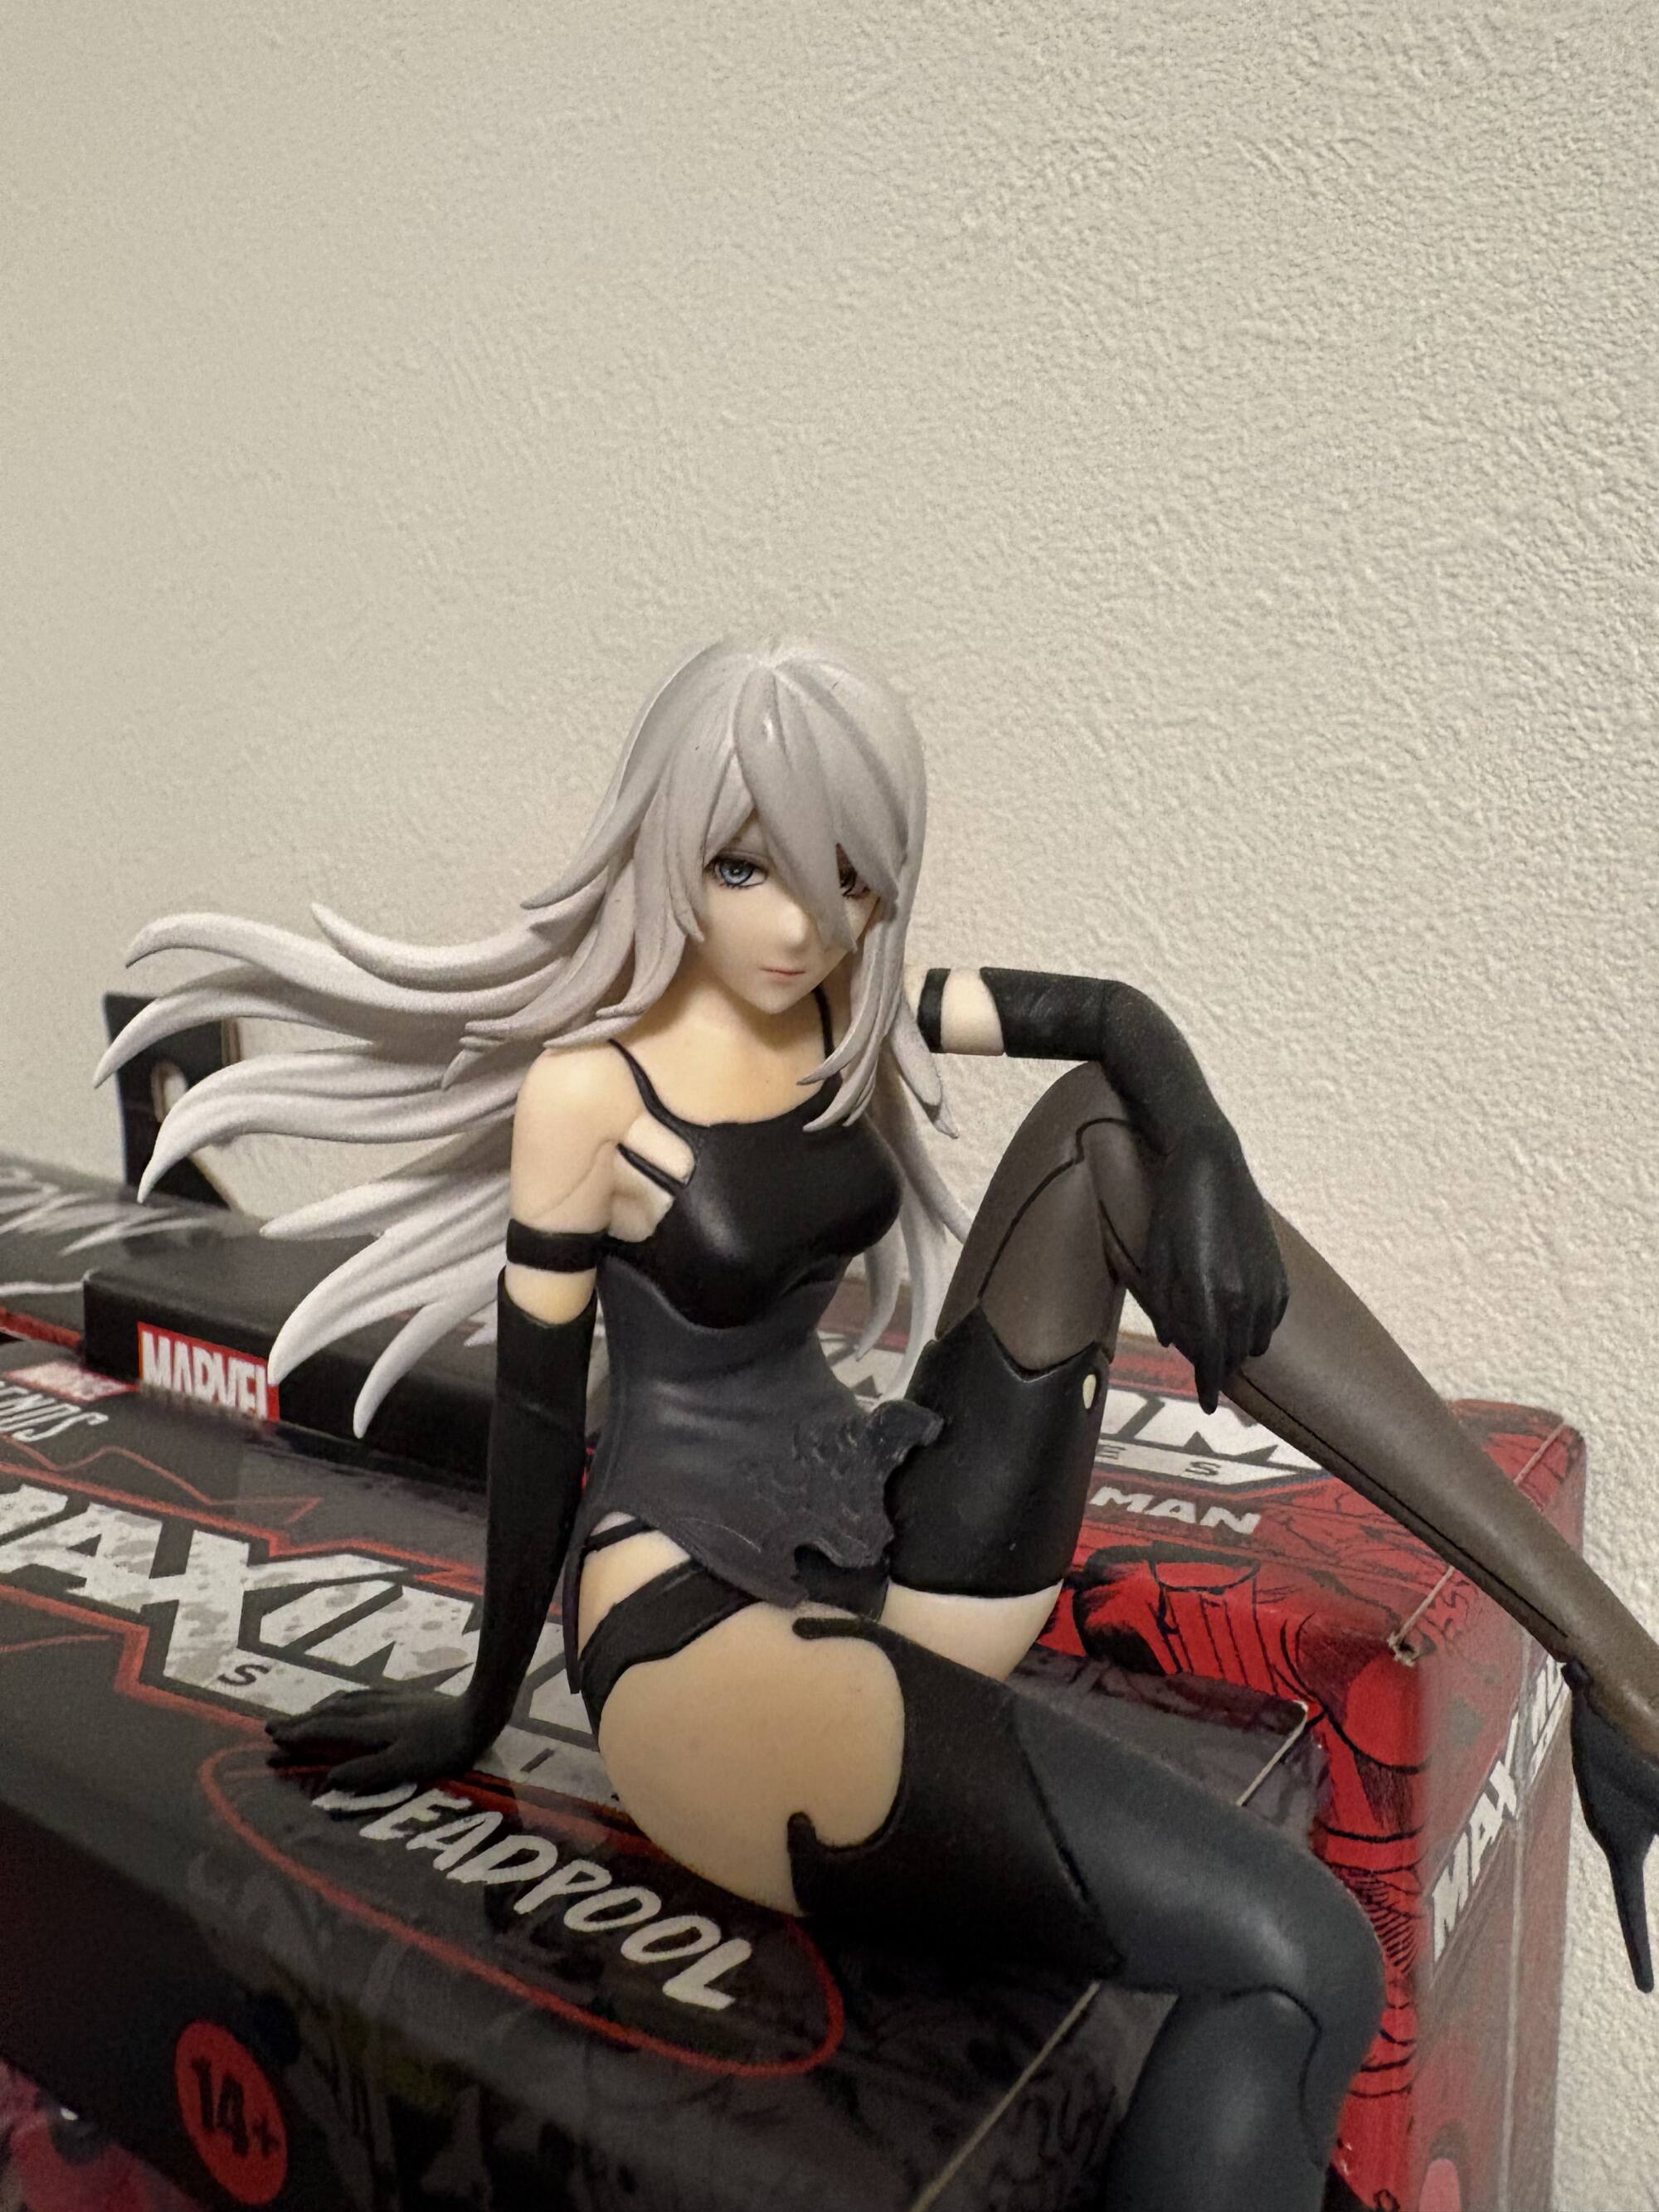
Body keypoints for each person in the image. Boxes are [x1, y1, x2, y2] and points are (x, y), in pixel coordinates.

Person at [100, 636, 1659, 2212]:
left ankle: (1615, 1666)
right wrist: (480, 1705)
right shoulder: (589, 1098)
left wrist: (1201, 1144)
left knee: (1108, 1132)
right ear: (665, 847)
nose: (800, 923)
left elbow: (1112, 1019)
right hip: (698, 1628)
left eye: (847, 874)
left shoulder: (853, 1009)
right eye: (745, 867)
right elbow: (531, 1416)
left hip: (876, 1518)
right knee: (1307, 1954)